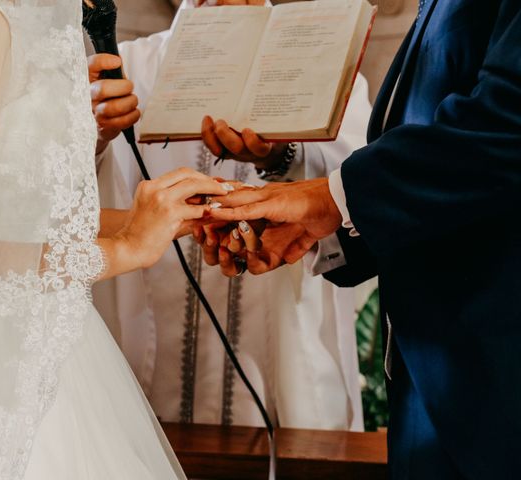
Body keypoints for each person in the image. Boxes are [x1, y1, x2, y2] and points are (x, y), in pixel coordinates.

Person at [0, 0, 228, 478]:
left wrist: (155, 220)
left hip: (46, 363)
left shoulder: (37, 17)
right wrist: (123, 249)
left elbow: (14, 218)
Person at [205, 0, 521, 478]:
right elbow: (435, 149)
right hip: (434, 384)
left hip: (496, 378)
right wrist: (324, 226)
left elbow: (508, 123)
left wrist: (331, 199)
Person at [90, 0, 372, 429]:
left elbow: (361, 187)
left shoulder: (326, 60)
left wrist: (282, 155)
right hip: (148, 343)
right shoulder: (126, 67)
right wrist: (94, 138)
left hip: (281, 350)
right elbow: (62, 201)